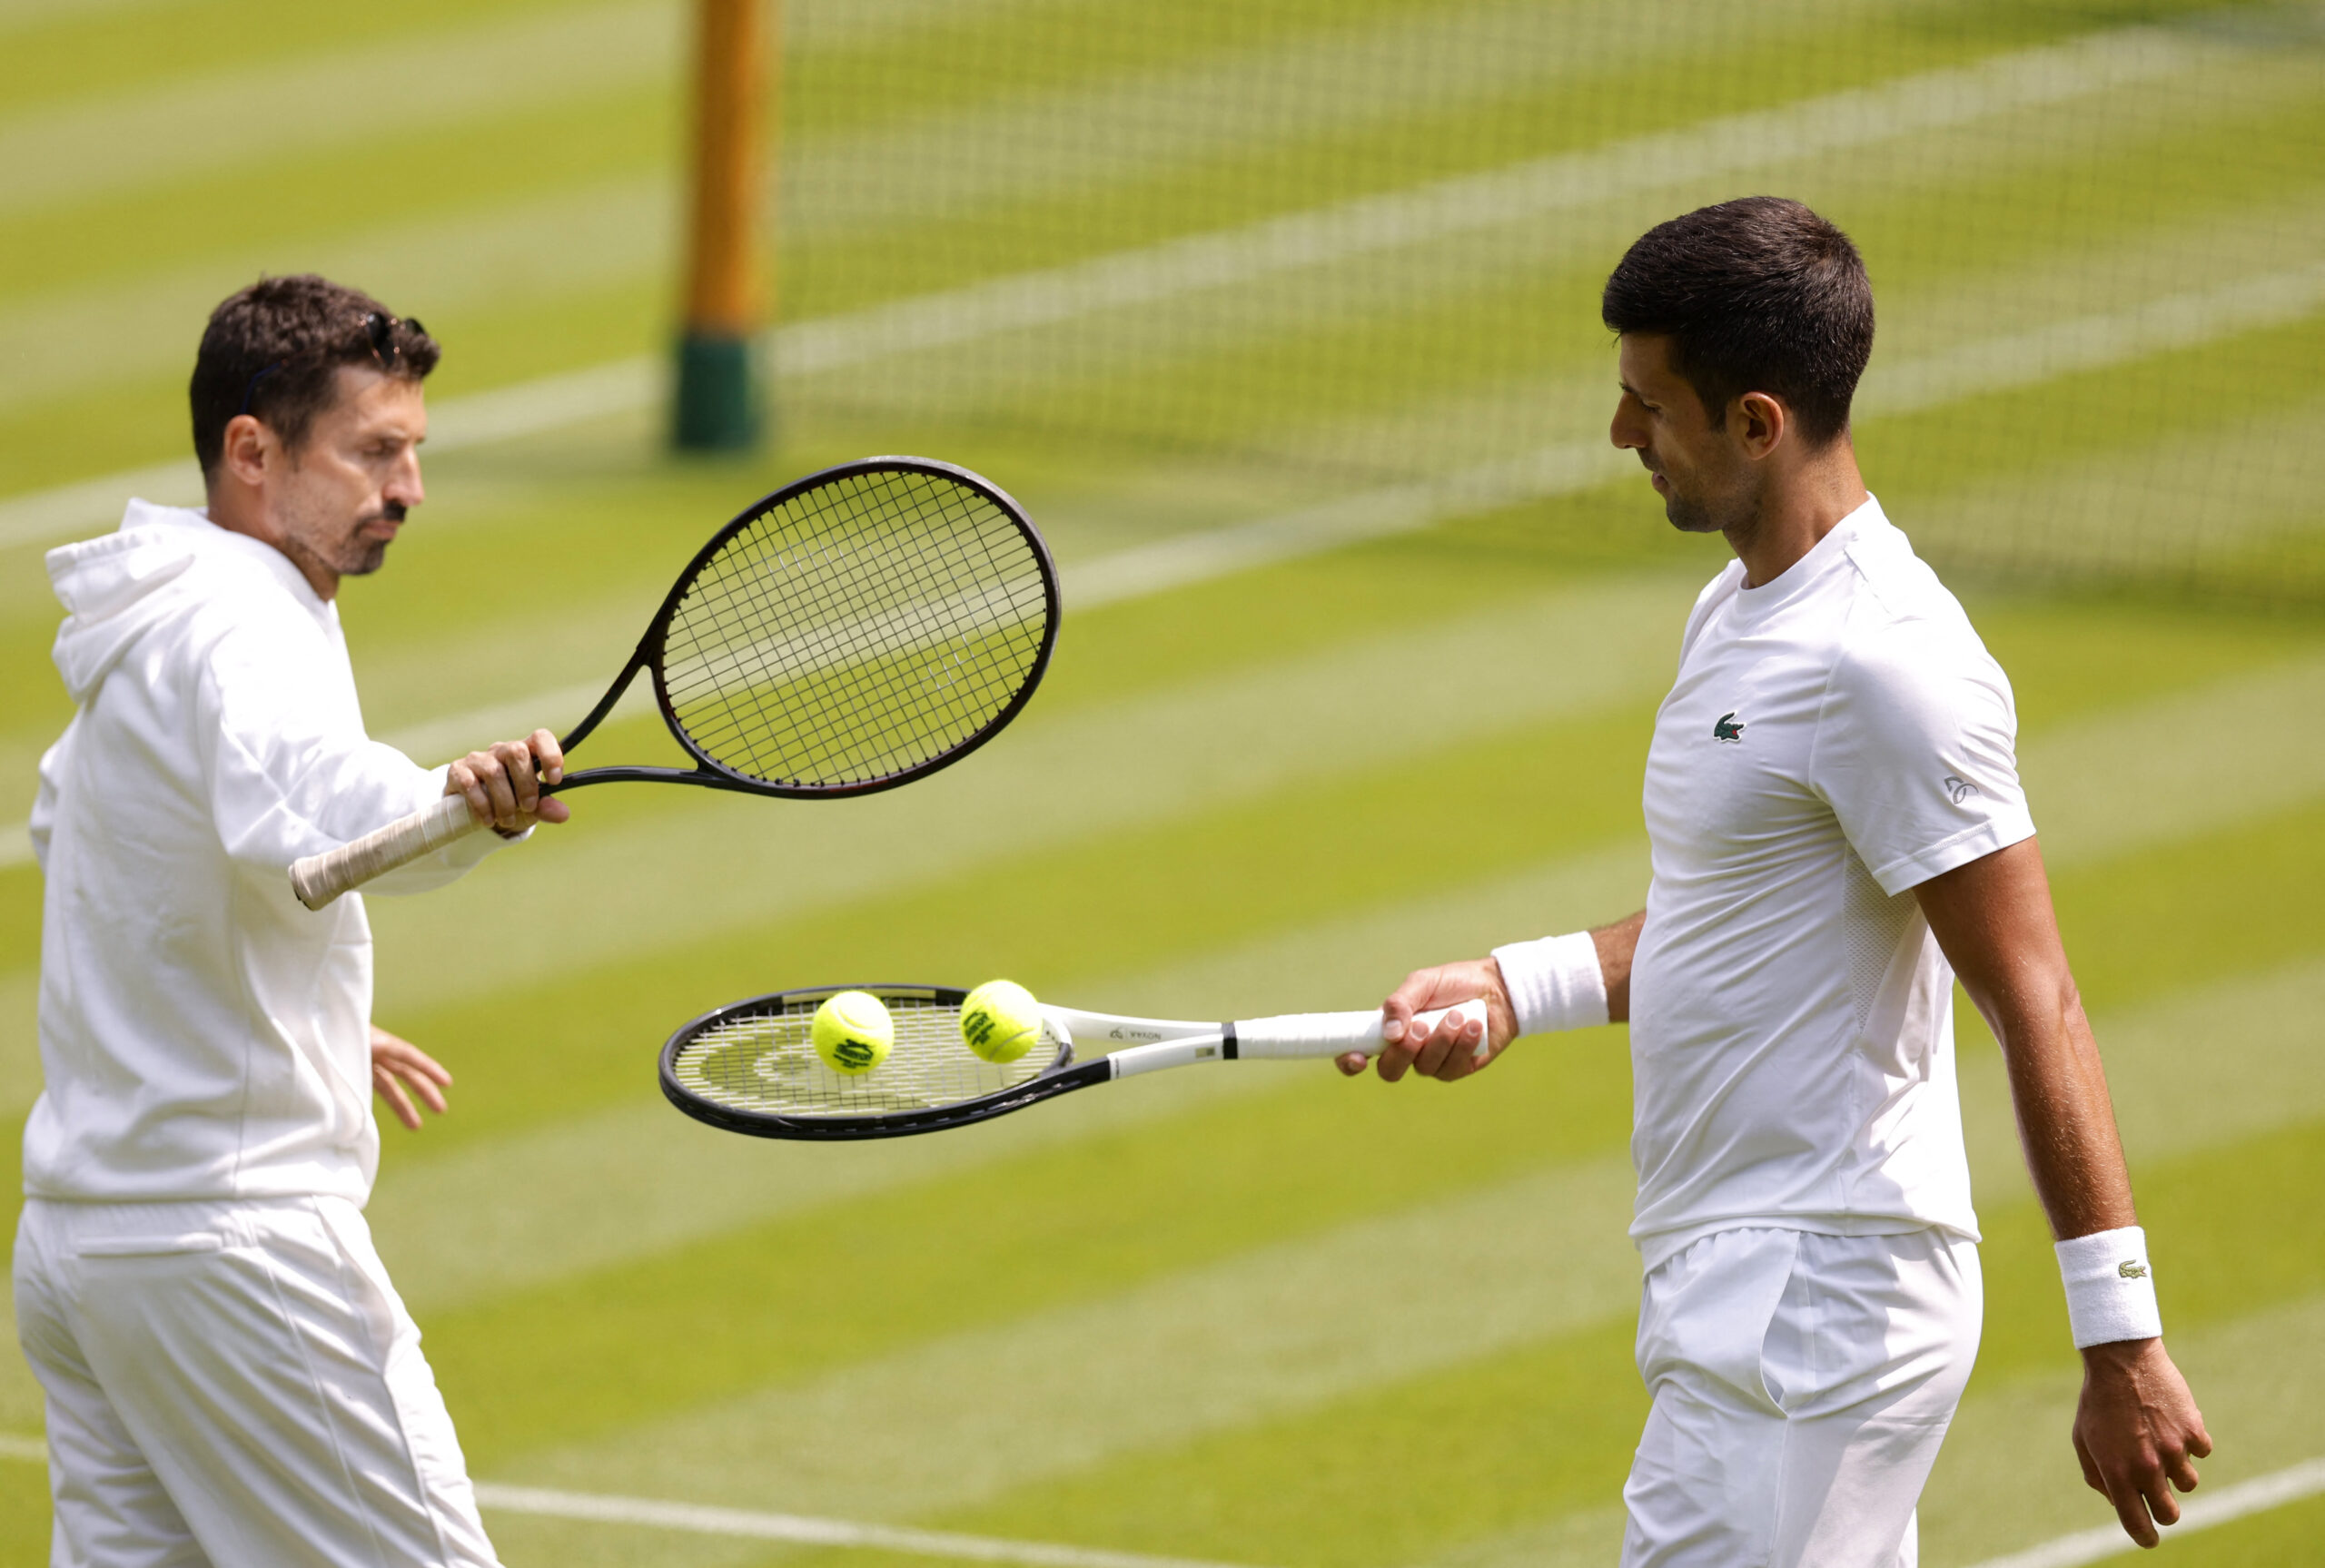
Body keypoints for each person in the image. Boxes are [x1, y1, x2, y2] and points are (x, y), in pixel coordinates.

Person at [1339, 199, 2211, 1564]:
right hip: (1755, 1275)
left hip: (1814, 1297)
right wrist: (1519, 987)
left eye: (1649, 405)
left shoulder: (1885, 664)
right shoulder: (1736, 611)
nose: (1622, 434)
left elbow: (2032, 994)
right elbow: (1735, 923)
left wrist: (2122, 1341)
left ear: (1758, 422)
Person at [15, 274, 566, 1565]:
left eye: (414, 451)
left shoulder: (160, 618)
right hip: (233, 1250)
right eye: (376, 452)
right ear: (252, 451)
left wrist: (284, 1019)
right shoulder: (237, 627)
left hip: (85, 1256)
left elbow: (100, 851)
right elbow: (325, 822)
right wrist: (465, 803)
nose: (408, 489)